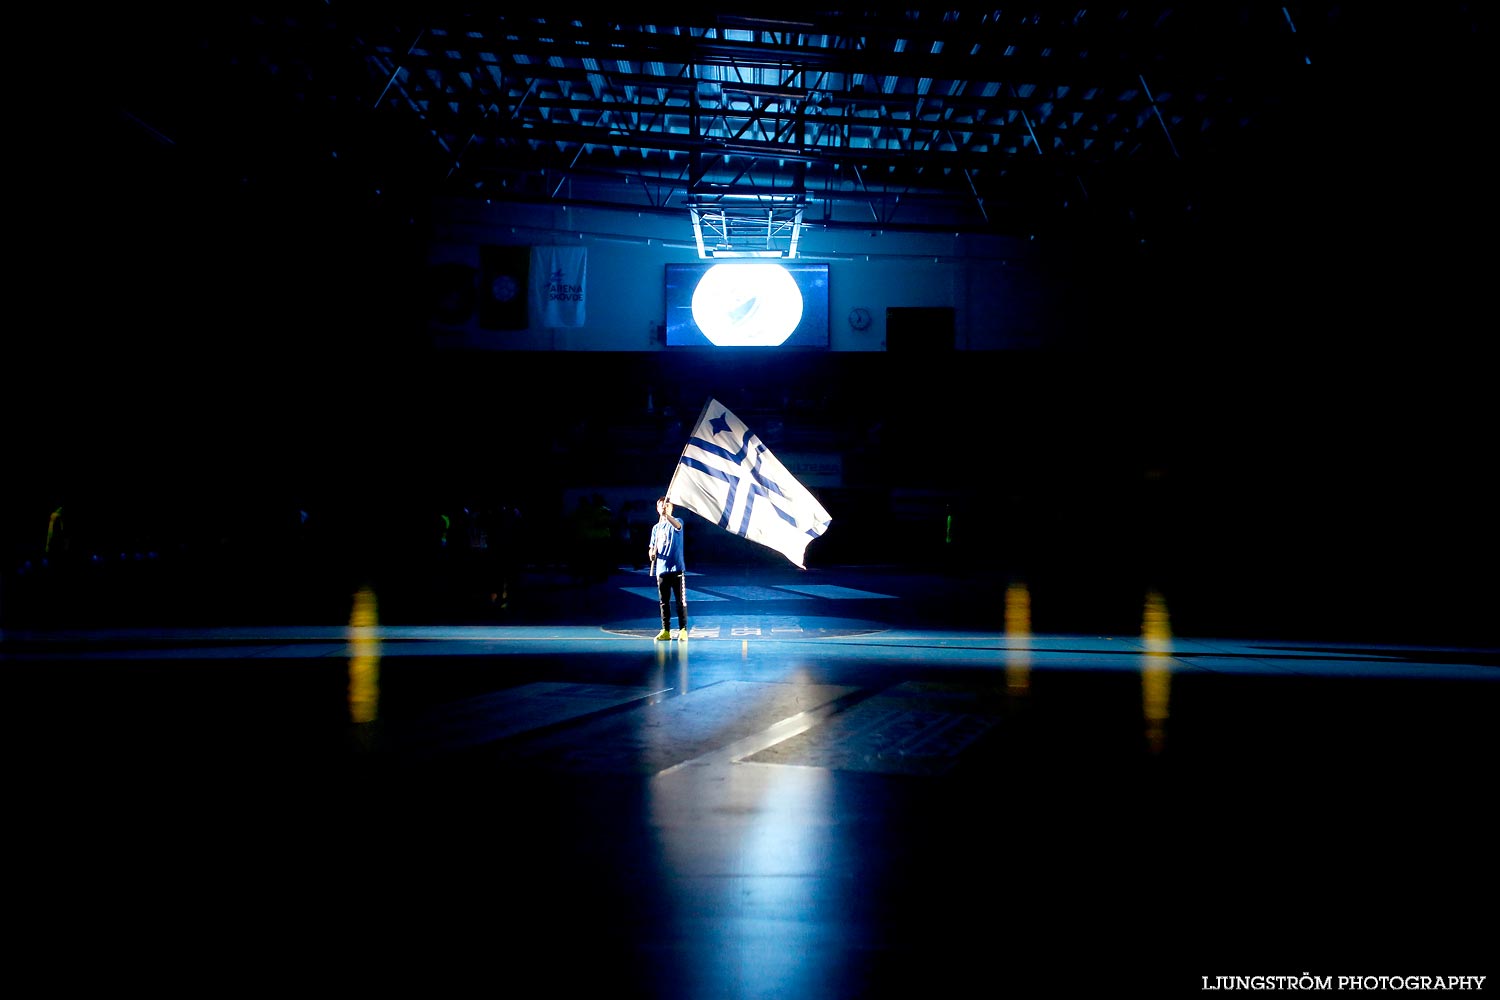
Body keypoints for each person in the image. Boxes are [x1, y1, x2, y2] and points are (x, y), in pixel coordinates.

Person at [648, 496, 688, 641]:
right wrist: (652, 554)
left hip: (676, 568)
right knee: (664, 602)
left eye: (667, 506)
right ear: (657, 509)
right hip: (661, 570)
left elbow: (677, 526)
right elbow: (652, 548)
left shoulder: (677, 522)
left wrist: (667, 516)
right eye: (661, 506)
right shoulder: (656, 528)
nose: (664, 508)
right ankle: (666, 630)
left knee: (680, 601)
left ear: (671, 508)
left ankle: (683, 629)